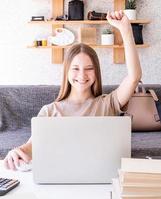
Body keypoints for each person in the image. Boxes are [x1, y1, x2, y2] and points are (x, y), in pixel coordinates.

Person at [4, 10, 142, 170]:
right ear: (67, 72)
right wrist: (18, 152)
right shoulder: (49, 112)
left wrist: (125, 30)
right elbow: (31, 147)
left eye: (89, 68)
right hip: (60, 182)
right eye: (75, 68)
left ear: (96, 72)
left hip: (100, 179)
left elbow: (134, 77)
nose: (82, 75)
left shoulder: (107, 104)